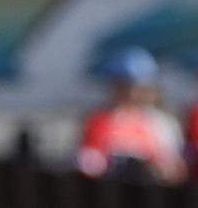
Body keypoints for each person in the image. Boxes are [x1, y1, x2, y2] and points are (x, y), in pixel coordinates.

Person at [77, 46, 184, 182]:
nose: (132, 93)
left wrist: (154, 167)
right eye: (124, 86)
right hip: (111, 194)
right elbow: (87, 164)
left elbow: (176, 168)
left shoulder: (158, 122)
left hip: (152, 196)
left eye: (138, 87)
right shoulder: (98, 120)